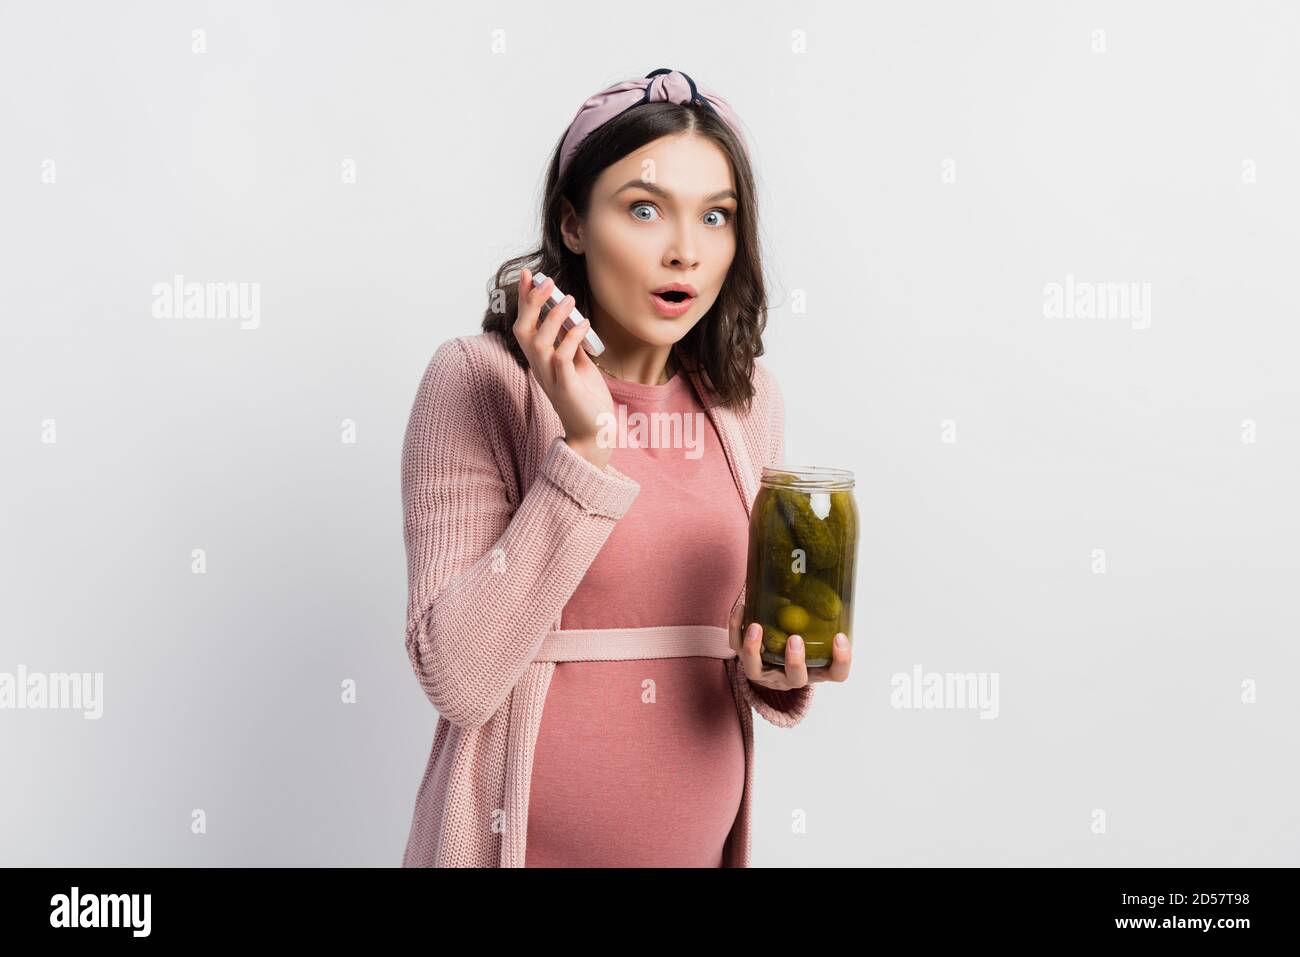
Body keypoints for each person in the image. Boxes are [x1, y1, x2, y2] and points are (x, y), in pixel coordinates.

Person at [399, 68, 853, 868]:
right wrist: (584, 445)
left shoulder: (749, 403)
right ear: (573, 223)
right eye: (644, 209)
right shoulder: (478, 381)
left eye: (716, 217)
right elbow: (460, 676)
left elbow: (721, 648)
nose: (685, 249)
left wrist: (772, 670)